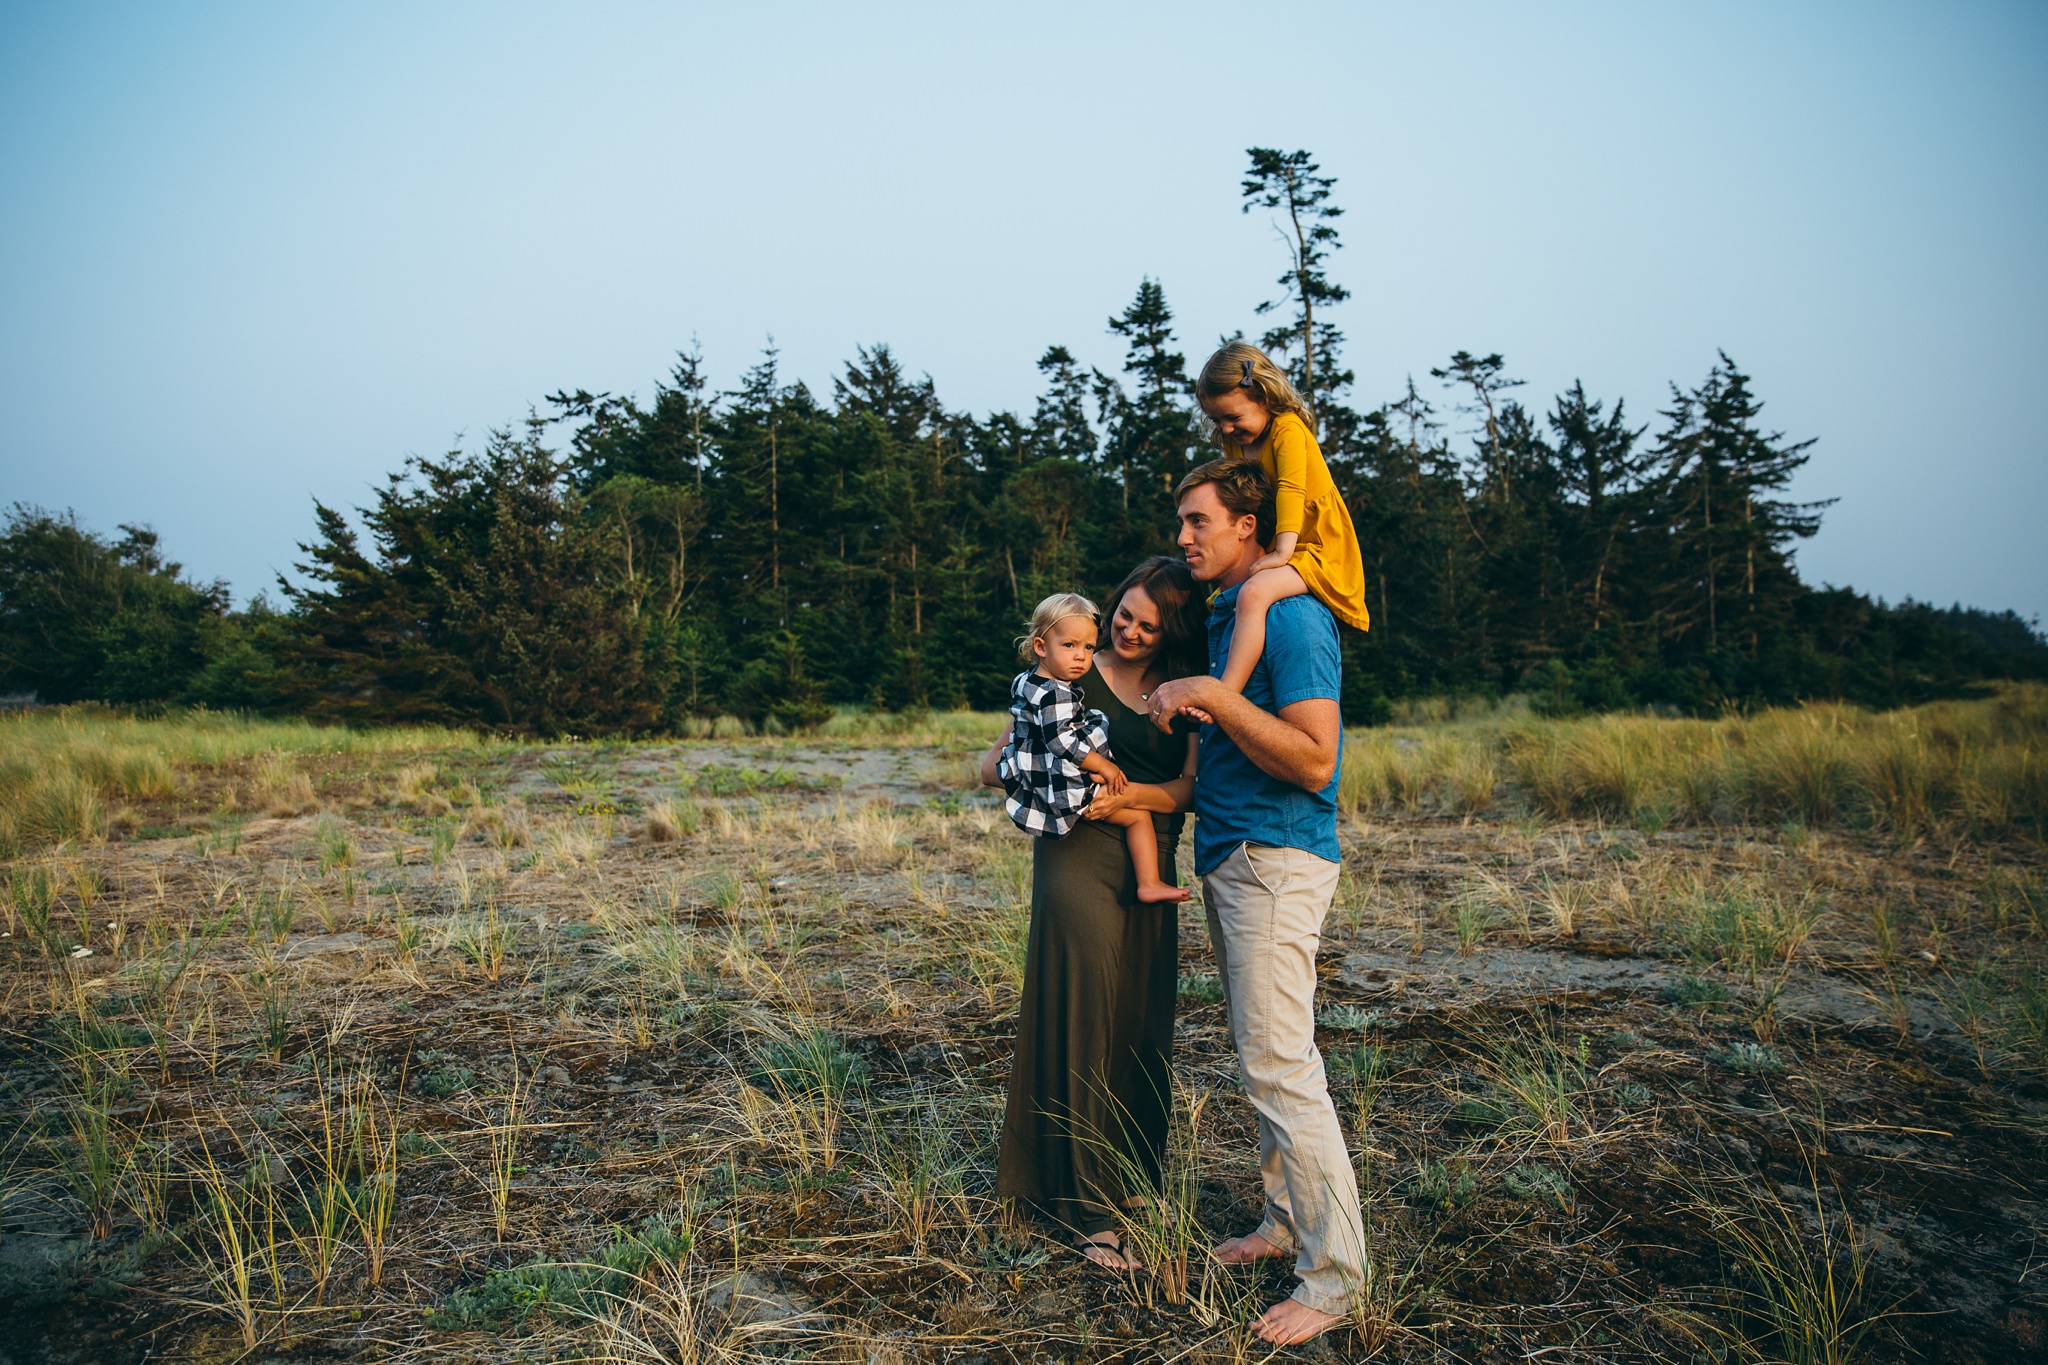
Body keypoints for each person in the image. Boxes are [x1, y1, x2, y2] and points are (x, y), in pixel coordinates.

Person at [1145, 459, 1367, 1346]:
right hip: (1237, 859)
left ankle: (1336, 1275)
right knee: (1258, 1056)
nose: (1186, 538)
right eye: (1181, 522)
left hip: (1278, 861)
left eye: (1200, 521)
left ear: (1250, 527)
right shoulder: (1233, 622)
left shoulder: (1296, 619)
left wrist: (1209, 696)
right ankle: (1283, 1223)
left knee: (1281, 1064)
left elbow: (1315, 760)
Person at [980, 557, 1206, 1271]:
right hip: (1076, 852)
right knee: (1084, 1015)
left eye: (1149, 623)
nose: (1130, 631)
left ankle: (1131, 1177)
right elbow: (990, 764)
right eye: (1124, 615)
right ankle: (1086, 1210)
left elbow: (1190, 788)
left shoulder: (1189, 687)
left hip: (1150, 856)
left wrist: (1132, 796)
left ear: (1173, 629)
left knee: (1140, 1019)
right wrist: (1044, 774)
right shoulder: (1071, 672)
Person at [1190, 341, 1370, 702]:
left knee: (1255, 593)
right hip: (1282, 540)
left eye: (1233, 418)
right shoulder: (1238, 442)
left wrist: (1281, 552)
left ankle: (1226, 693)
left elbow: (1290, 489)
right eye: (1217, 420)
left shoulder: (1287, 428)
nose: (1225, 429)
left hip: (1316, 546)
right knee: (1229, 597)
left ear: (1265, 397)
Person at [995, 592, 1188, 905]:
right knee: (1138, 817)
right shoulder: (1055, 694)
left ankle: (1149, 883)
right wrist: (1104, 766)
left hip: (1050, 779)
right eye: (1069, 646)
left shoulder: (1027, 682)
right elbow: (1061, 741)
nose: (1081, 656)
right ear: (1041, 647)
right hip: (1065, 785)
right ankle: (1149, 882)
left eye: (1088, 647)